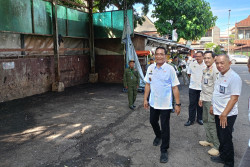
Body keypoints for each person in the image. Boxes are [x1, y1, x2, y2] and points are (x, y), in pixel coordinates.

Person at [144, 46, 181, 163]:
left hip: (165, 104)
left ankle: (164, 150)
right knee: (152, 121)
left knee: (165, 127)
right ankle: (158, 135)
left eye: (161, 54)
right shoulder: (150, 68)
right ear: (154, 55)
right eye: (157, 54)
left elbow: (175, 87)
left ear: (165, 56)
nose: (159, 56)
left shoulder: (170, 69)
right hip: (153, 102)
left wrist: (178, 104)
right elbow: (147, 85)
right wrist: (145, 99)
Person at [210, 54, 242, 167]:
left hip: (227, 114)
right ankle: (223, 156)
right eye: (217, 63)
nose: (219, 65)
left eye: (222, 63)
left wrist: (224, 114)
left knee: (226, 138)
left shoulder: (234, 78)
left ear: (229, 63)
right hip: (218, 112)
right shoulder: (220, 75)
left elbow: (234, 98)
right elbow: (217, 92)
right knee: (220, 136)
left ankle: (229, 162)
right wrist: (212, 105)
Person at [198, 51, 220, 156]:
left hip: (212, 101)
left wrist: (213, 104)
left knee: (212, 123)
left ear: (214, 58)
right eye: (205, 58)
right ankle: (209, 140)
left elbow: (217, 89)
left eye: (208, 58)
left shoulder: (215, 70)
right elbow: (203, 85)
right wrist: (201, 98)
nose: (206, 60)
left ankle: (216, 145)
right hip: (205, 99)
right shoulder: (206, 69)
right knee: (206, 121)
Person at [185, 51, 206, 126]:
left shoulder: (206, 65)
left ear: (203, 57)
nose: (198, 58)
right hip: (193, 87)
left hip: (202, 88)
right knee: (192, 104)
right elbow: (189, 73)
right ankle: (191, 119)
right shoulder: (192, 64)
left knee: (200, 105)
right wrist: (194, 80)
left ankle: (200, 119)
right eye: (197, 56)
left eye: (200, 56)